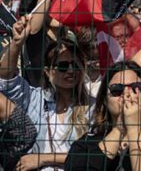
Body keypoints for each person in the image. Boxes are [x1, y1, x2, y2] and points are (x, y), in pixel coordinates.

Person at [0, 17, 92, 171]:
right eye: (63, 66)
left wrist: (42, 159)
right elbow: (5, 79)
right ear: (48, 72)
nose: (70, 71)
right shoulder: (34, 99)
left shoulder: (92, 106)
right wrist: (17, 43)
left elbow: (93, 154)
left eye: (75, 65)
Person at [64, 61, 141, 170]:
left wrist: (135, 129)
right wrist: (119, 129)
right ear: (105, 100)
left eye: (135, 88)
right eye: (117, 90)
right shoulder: (85, 145)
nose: (126, 94)